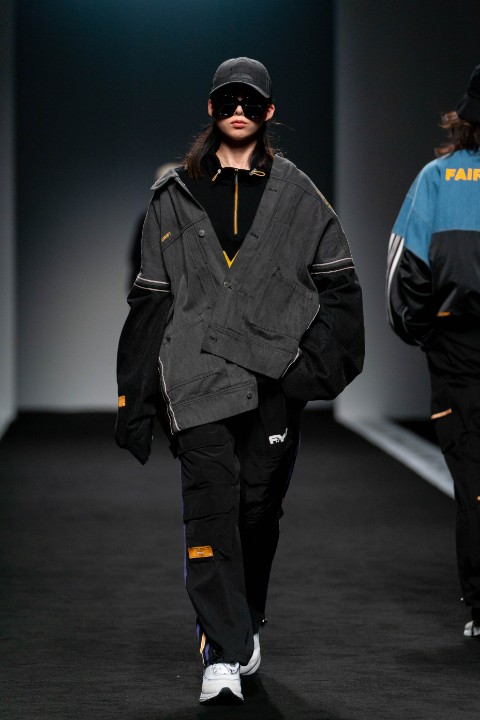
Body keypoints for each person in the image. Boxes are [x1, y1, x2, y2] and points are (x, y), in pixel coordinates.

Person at [116, 57, 364, 704]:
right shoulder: (173, 196)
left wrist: (308, 372)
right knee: (211, 510)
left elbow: (341, 290)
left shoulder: (300, 196)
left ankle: (244, 618)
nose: (238, 110)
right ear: (210, 107)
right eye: (227, 99)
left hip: (272, 380)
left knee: (257, 509)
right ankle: (221, 653)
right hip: (194, 375)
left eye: (250, 101)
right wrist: (134, 397)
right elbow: (149, 302)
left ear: (268, 112)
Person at [386, 64, 480, 639]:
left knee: (473, 478)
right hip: (455, 343)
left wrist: (429, 334)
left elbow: (405, 274)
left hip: (458, 347)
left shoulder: (438, 179)